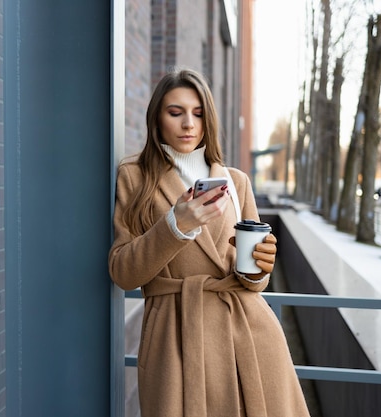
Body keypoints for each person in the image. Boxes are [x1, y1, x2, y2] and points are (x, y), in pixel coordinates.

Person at [109, 68, 310, 417]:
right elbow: (123, 272)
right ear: (157, 117)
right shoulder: (135, 176)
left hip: (248, 334)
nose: (188, 123)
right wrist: (176, 225)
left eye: (198, 113)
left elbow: (254, 282)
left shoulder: (236, 181)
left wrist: (260, 264)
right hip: (175, 338)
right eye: (176, 112)